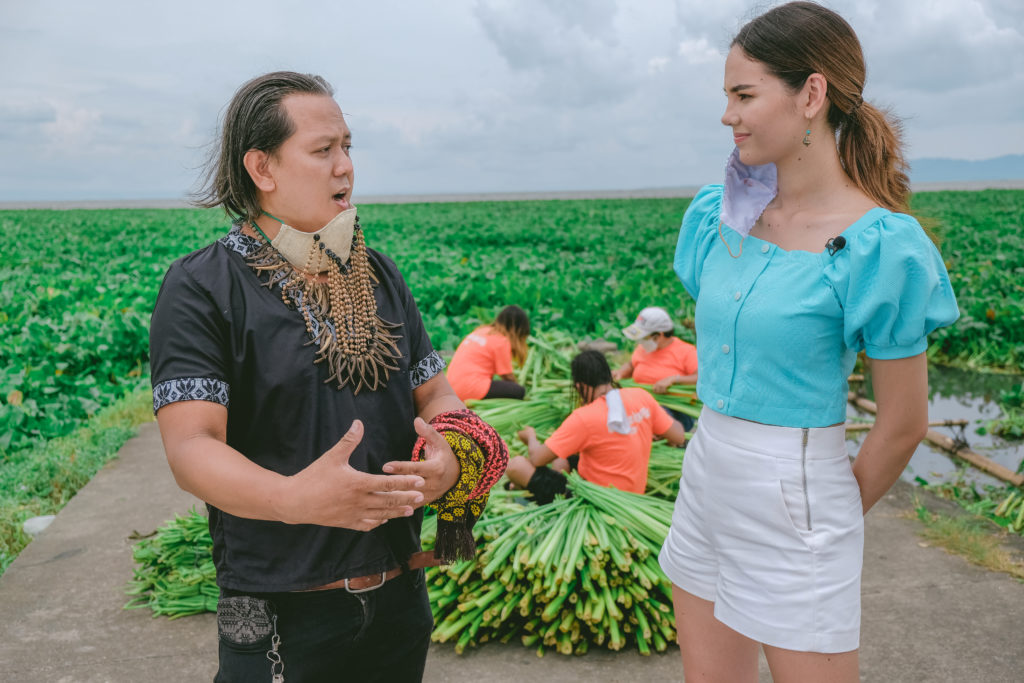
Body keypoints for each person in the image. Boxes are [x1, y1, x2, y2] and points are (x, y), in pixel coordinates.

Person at [150, 71, 506, 682]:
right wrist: (291, 499)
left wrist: (449, 453)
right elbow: (191, 448)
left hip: (399, 593)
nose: (345, 167)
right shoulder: (202, 288)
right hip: (281, 609)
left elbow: (436, 392)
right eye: (323, 150)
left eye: (348, 147)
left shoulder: (379, 275)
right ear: (262, 168)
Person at [657, 4, 960, 682]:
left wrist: (824, 517)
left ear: (811, 96)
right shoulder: (719, 214)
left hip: (796, 483)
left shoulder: (880, 247)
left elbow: (905, 422)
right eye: (727, 96)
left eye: (744, 95)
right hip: (707, 471)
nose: (728, 115)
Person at [507, 350, 687, 504]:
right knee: (561, 458)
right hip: (634, 495)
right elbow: (679, 436)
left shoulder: (584, 417)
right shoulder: (641, 396)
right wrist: (645, 427)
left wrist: (530, 436)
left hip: (595, 498)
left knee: (516, 466)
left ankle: (549, 498)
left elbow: (537, 459)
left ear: (579, 386)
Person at [613, 305, 699, 429]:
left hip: (671, 408)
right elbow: (632, 365)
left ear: (659, 335)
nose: (641, 342)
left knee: (646, 420)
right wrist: (621, 372)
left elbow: (701, 378)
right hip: (639, 403)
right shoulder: (643, 348)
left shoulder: (686, 352)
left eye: (644, 337)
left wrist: (674, 379)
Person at [446, 305, 530, 401]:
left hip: (451, 387)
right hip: (470, 388)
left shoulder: (482, 331)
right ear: (518, 329)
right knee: (519, 391)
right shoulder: (501, 341)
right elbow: (508, 377)